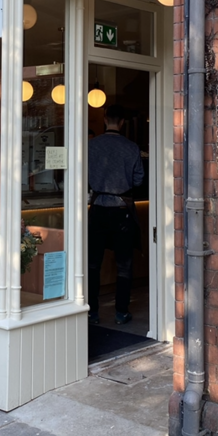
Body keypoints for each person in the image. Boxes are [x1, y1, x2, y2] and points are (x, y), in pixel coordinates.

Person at [88, 107, 144, 324]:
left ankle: (92, 311)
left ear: (104, 120)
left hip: (98, 207)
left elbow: (81, 174)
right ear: (121, 122)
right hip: (122, 210)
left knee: (93, 263)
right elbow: (138, 179)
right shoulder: (131, 147)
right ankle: (121, 312)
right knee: (124, 264)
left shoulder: (91, 146)